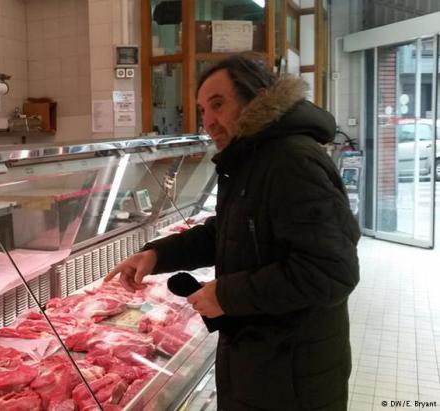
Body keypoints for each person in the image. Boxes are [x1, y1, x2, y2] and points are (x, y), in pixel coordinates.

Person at [105, 55, 360, 410]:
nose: (208, 121)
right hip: (262, 364)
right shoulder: (253, 158)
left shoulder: (291, 160)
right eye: (202, 110)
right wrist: (157, 254)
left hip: (294, 378)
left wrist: (226, 295)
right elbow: (225, 232)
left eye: (218, 104)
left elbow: (330, 272)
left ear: (256, 97)